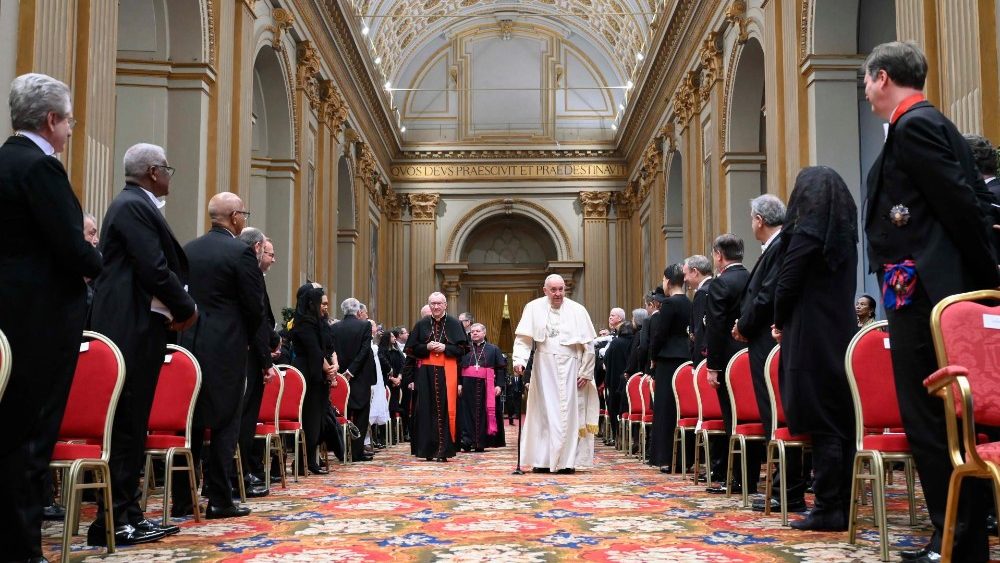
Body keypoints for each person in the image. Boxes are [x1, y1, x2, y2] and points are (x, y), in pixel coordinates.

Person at [863, 41, 998, 562]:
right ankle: (958, 538)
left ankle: (957, 540)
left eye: (867, 81)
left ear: (881, 77)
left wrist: (982, 282)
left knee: (930, 419)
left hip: (922, 296)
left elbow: (962, 205)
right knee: (946, 420)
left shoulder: (915, 125)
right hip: (924, 291)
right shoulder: (923, 123)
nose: (866, 90)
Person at [0, 73, 103, 561]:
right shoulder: (41, 169)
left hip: (10, 318)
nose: (69, 132)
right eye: (68, 122)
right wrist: (97, 263)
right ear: (50, 120)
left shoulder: (3, 160)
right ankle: (23, 550)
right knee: (31, 439)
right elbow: (70, 246)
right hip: (39, 321)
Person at [86, 143, 198, 546]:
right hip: (129, 327)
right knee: (127, 425)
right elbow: (154, 267)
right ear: (153, 171)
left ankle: (128, 513)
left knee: (133, 424)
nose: (170, 175)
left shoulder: (134, 204)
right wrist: (187, 307)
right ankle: (114, 519)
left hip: (139, 326)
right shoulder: (134, 205)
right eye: (167, 168)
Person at [772, 166, 858, 531]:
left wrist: (778, 317)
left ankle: (827, 506)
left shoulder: (806, 234)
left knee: (822, 421)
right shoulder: (843, 237)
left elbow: (786, 279)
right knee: (839, 419)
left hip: (808, 334)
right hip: (840, 333)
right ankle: (841, 501)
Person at [171, 192, 264, 520]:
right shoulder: (241, 253)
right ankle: (220, 498)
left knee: (189, 424)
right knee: (225, 423)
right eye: (244, 214)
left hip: (189, 346)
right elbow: (255, 308)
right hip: (226, 348)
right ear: (236, 217)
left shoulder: (188, 249)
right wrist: (255, 341)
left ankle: (182, 500)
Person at [732, 194, 805, 513]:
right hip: (763, 336)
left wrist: (744, 325)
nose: (751, 225)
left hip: (765, 338)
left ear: (759, 220)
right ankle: (781, 487)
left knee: (776, 413)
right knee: (773, 414)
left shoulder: (779, 247)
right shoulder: (777, 247)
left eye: (751, 219)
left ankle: (786, 490)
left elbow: (765, 296)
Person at [512, 274, 599, 474]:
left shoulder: (578, 310)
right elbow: (523, 340)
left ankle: (566, 462)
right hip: (544, 367)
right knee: (543, 413)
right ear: (545, 290)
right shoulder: (533, 308)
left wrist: (586, 371)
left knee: (568, 414)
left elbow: (589, 345)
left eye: (561, 289)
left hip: (572, 367)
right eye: (554, 290)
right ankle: (542, 460)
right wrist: (519, 361)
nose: (558, 294)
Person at [703, 234, 749, 494]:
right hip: (753, 357)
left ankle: (737, 478)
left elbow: (717, 328)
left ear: (719, 256)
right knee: (753, 417)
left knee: (732, 418)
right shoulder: (752, 277)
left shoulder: (721, 284)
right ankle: (749, 477)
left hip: (729, 360)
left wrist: (713, 366)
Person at [236, 228, 279, 493]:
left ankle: (238, 473)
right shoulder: (248, 271)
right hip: (248, 353)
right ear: (257, 249)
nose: (273, 259)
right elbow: (256, 316)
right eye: (269, 252)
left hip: (241, 350)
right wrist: (265, 358)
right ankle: (240, 475)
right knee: (244, 416)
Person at [405, 292, 467, 461]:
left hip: (447, 371)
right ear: (429, 305)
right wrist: (427, 347)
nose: (436, 307)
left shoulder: (454, 324)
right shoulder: (422, 324)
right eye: (433, 303)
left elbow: (463, 350)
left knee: (446, 410)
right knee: (426, 409)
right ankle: (427, 450)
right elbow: (410, 350)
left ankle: (444, 451)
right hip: (426, 373)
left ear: (445, 305)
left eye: (439, 303)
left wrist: (445, 348)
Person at [647, 264, 692, 473]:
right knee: (684, 408)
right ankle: (685, 457)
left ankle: (666, 456)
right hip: (685, 357)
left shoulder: (669, 304)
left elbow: (659, 334)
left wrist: (653, 357)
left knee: (665, 409)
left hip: (667, 358)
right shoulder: (689, 303)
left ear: (667, 280)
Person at [290, 283, 335, 474]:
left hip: (319, 372)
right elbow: (313, 350)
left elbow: (327, 347)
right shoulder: (303, 323)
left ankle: (311, 460)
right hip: (308, 372)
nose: (324, 306)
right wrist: (328, 369)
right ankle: (304, 462)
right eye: (320, 302)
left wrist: (332, 366)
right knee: (310, 418)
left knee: (318, 419)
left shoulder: (318, 322)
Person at [329, 297, 376, 462]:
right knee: (362, 414)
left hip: (340, 376)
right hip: (360, 375)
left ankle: (342, 451)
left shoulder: (334, 328)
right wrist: (352, 371)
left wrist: (344, 371)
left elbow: (331, 350)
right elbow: (364, 351)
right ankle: (357, 452)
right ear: (358, 311)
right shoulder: (365, 325)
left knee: (343, 412)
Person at [457, 323, 507, 451]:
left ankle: (481, 442)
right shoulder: (465, 348)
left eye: (477, 331)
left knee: (484, 413)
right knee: (466, 413)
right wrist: (459, 383)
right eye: (472, 331)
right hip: (467, 386)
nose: (474, 333)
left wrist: (499, 385)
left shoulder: (493, 349)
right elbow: (458, 368)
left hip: (487, 386)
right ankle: (467, 441)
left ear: (484, 333)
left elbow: (501, 369)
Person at [683, 255, 714, 367]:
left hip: (705, 359)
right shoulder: (716, 286)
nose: (684, 279)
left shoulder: (702, 293)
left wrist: (697, 363)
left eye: (685, 274)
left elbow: (699, 331)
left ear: (695, 272)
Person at [368, 320, 391, 450]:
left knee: (377, 406)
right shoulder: (370, 340)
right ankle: (369, 440)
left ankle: (374, 438)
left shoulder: (375, 341)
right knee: (370, 407)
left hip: (378, 376)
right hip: (371, 376)